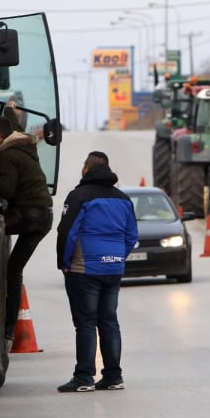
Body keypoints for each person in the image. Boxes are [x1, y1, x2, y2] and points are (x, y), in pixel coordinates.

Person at [55, 151, 138, 392]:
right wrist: (116, 257)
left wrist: (64, 262)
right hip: (113, 268)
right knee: (109, 321)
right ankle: (113, 376)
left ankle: (84, 377)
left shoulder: (79, 196)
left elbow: (67, 233)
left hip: (84, 268)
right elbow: (132, 235)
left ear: (86, 169)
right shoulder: (123, 199)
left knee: (86, 322)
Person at [0, 116, 53, 348]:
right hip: (44, 217)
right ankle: (8, 331)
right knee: (14, 269)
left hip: (27, 215)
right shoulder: (25, 148)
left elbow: (6, 190)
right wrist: (9, 110)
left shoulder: (7, 156)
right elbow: (11, 126)